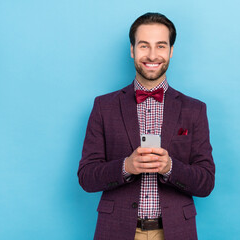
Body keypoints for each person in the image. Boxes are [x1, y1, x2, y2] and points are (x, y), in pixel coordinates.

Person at [78, 12, 215, 240]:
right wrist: (127, 166)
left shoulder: (195, 109)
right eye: (144, 46)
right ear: (132, 50)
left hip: (175, 231)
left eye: (161, 46)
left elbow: (206, 182)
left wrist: (170, 167)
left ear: (171, 51)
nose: (152, 55)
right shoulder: (103, 106)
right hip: (116, 229)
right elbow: (86, 177)